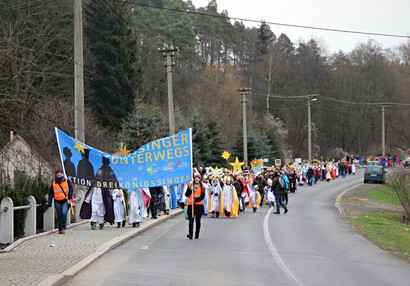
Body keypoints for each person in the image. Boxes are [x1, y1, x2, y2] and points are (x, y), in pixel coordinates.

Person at [48, 169, 73, 234]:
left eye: (60, 174)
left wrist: (70, 195)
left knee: (63, 213)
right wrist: (49, 202)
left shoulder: (67, 181)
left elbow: (71, 189)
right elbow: (51, 193)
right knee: (59, 215)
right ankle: (60, 228)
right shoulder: (54, 183)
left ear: (62, 174)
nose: (59, 176)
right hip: (57, 201)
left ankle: (63, 228)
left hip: (65, 200)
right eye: (57, 175)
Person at [185, 173, 205, 239]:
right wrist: (190, 189)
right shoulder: (191, 185)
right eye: (195, 178)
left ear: (200, 179)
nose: (197, 179)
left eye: (198, 178)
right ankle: (190, 233)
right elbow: (186, 195)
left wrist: (195, 200)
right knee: (191, 220)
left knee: (198, 221)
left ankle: (197, 233)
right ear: (194, 179)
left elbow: (202, 196)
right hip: (191, 205)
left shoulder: (202, 187)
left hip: (199, 205)